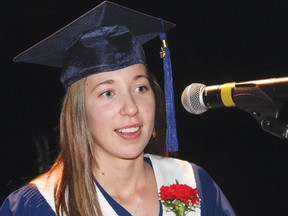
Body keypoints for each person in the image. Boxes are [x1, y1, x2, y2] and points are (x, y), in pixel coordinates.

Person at [0, 1, 236, 215]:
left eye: (140, 88)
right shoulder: (39, 206)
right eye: (107, 93)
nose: (131, 108)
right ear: (79, 111)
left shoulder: (194, 183)